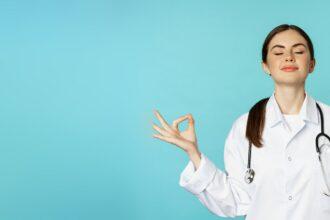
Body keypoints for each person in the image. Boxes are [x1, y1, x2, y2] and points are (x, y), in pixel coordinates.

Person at [151, 24, 330, 220]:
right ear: (265, 66)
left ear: (311, 64)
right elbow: (235, 202)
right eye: (278, 52)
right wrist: (193, 153)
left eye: (298, 51)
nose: (289, 57)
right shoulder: (244, 127)